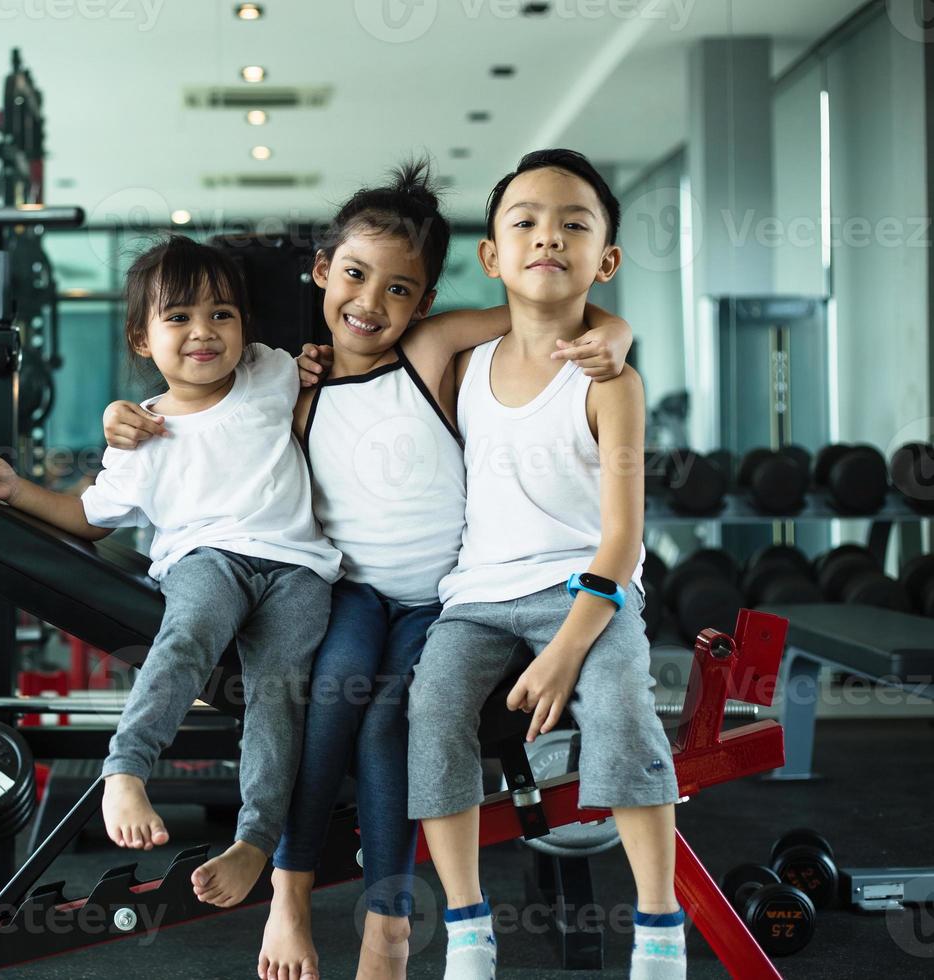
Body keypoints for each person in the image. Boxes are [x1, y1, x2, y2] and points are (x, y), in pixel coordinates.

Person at [103, 160, 633, 980]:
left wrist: (616, 336)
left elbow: (549, 312)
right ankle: (288, 890)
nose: (370, 302)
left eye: (398, 289)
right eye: (354, 275)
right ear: (322, 272)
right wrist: (120, 415)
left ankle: (387, 920)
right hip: (347, 593)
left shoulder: (429, 349)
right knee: (326, 703)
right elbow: (197, 406)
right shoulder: (293, 387)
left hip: (440, 601)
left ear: (423, 303)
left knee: (390, 718)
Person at [0, 234, 341, 909]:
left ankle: (254, 840)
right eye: (179, 318)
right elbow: (88, 517)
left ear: (246, 328)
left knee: (278, 694)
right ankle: (126, 769)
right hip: (206, 562)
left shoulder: (269, 371)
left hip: (298, 570)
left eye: (222, 314)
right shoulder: (141, 432)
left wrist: (319, 359)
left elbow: (327, 365)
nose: (204, 332)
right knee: (186, 637)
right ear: (142, 339)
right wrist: (13, 489)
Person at [407, 148, 683, 980]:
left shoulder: (612, 383)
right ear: (491, 256)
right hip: (478, 600)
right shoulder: (460, 369)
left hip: (587, 593)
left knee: (622, 707)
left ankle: (661, 925)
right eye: (523, 222)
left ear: (606, 259)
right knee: (432, 711)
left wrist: (566, 650)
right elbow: (413, 338)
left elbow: (623, 543)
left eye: (574, 224)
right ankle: (466, 924)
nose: (547, 237)